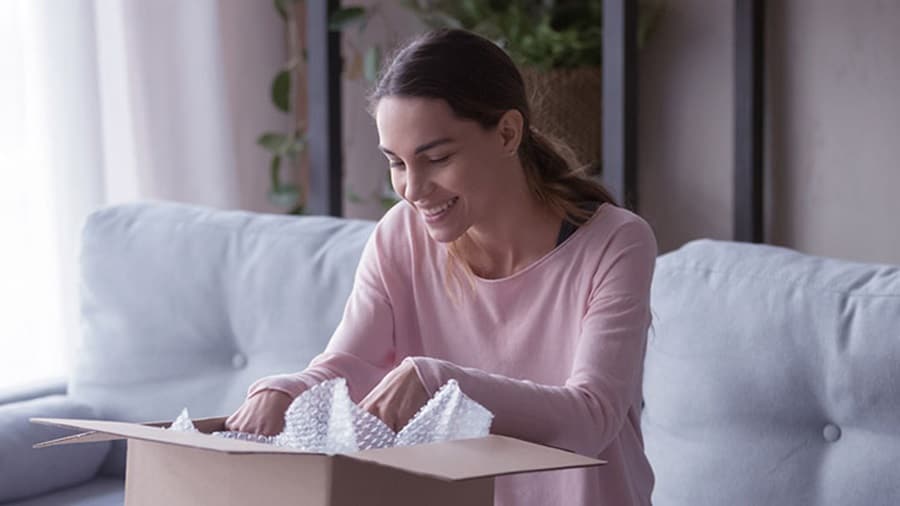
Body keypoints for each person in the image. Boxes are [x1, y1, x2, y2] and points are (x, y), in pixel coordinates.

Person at [226, 28, 657, 506]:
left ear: (508, 133)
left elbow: (591, 419)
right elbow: (349, 363)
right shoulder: (400, 235)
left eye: (436, 158)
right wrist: (284, 391)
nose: (412, 188)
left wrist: (440, 381)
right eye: (397, 163)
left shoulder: (615, 242)